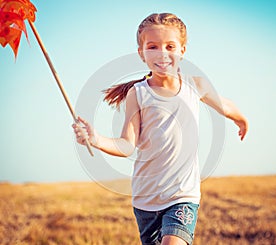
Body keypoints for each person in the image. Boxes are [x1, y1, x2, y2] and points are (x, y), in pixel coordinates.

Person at [73, 13, 248, 245]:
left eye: (170, 46)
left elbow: (225, 105)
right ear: (141, 53)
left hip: (182, 196)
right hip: (145, 200)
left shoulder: (195, 86)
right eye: (153, 46)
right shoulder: (138, 94)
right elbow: (126, 144)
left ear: (182, 50)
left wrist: (241, 119)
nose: (162, 53)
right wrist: (95, 138)